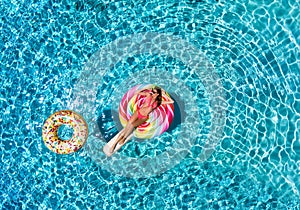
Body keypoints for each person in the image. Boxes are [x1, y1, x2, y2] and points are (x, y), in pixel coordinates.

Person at [110, 86, 174, 153]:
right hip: (138, 112)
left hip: (144, 117)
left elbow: (171, 101)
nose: (152, 92)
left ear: (158, 93)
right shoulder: (148, 95)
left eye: (154, 92)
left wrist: (163, 94)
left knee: (131, 126)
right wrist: (144, 89)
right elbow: (137, 92)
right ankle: (115, 144)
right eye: (152, 91)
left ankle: (123, 138)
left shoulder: (159, 102)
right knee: (128, 126)